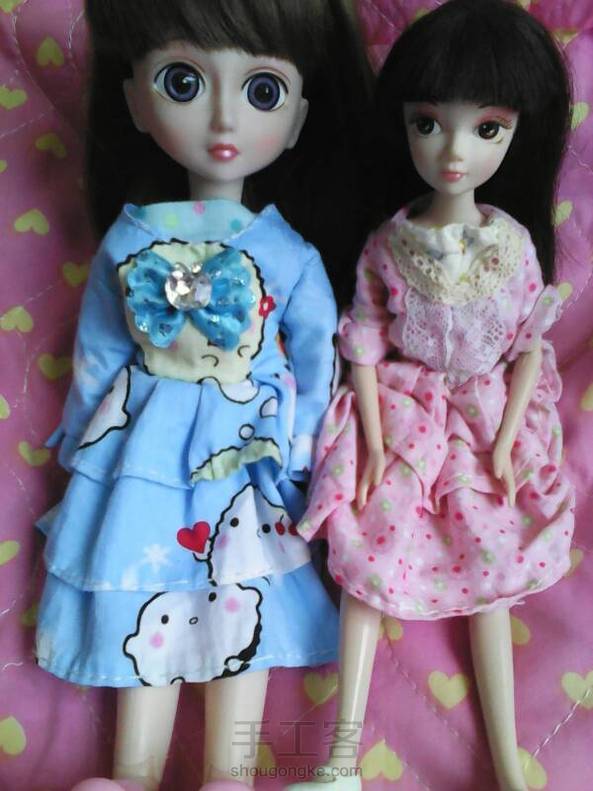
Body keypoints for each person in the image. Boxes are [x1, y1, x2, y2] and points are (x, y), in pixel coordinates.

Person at [34, 2, 374, 790]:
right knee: (144, 593)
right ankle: (133, 773)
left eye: (262, 92)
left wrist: (300, 453)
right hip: (145, 450)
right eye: (183, 82)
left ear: (296, 120)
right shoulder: (129, 240)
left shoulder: (285, 250)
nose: (224, 119)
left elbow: (319, 355)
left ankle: (231, 773)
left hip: (244, 453)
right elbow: (99, 351)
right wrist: (83, 442)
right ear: (134, 102)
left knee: (240, 595)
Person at [289, 2, 575, 790]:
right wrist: (374, 438)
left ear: (516, 133)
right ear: (403, 126)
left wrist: (506, 437)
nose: (453, 150)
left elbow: (526, 345)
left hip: (483, 414)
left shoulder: (510, 245)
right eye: (428, 124)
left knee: (491, 564)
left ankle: (507, 760)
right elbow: (362, 342)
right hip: (404, 409)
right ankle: (339, 757)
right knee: (364, 555)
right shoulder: (388, 243)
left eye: (485, 128)